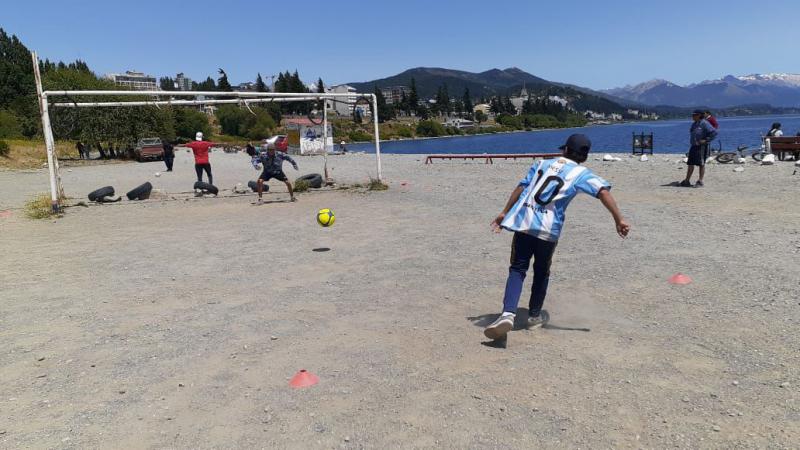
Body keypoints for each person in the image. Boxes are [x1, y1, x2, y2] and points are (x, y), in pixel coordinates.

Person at [484, 134, 630, 341]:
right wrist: (619, 219)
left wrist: (504, 212)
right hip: (548, 231)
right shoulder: (582, 173)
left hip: (524, 224)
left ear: (565, 150)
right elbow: (603, 192)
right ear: (584, 156)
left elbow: (522, 187)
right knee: (542, 272)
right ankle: (534, 316)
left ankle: (508, 313)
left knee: (517, 269)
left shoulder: (542, 164)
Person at [680, 110, 718, 187]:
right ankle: (687, 181)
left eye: (694, 115)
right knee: (690, 163)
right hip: (693, 146)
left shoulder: (705, 123)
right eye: (692, 115)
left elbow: (714, 132)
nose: (692, 117)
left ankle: (700, 181)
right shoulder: (694, 124)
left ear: (699, 115)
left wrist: (706, 140)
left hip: (701, 147)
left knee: (701, 163)